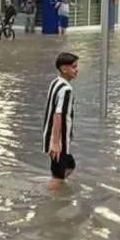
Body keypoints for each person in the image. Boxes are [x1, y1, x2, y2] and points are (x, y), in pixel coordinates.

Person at [43, 52, 79, 191]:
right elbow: (58, 115)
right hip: (59, 141)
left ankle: (59, 191)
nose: (77, 70)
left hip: (55, 137)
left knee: (70, 166)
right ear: (64, 69)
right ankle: (50, 202)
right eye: (74, 67)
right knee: (58, 176)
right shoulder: (66, 90)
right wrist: (56, 143)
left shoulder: (55, 82)